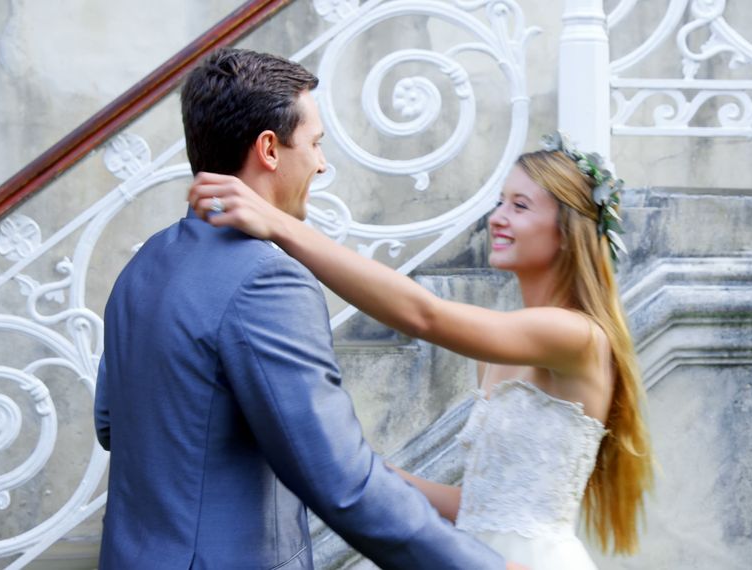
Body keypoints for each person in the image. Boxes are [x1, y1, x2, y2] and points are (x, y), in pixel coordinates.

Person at [94, 47, 514, 569]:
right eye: (314, 143)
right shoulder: (265, 280)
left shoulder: (144, 266)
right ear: (269, 149)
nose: (320, 161)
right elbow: (341, 482)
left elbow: (111, 424)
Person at [188, 129, 655, 568]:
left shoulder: (577, 336)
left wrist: (277, 225)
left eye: (520, 206)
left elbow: (423, 315)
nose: (497, 218)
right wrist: (367, 471)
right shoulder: (498, 352)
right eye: (498, 202)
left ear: (567, 229)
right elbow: (482, 506)